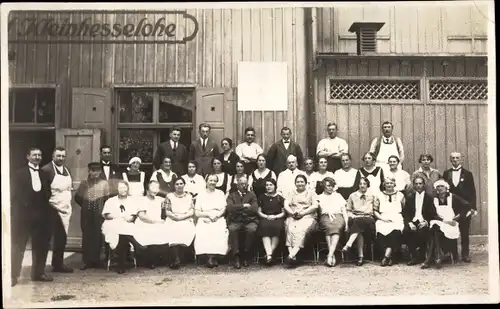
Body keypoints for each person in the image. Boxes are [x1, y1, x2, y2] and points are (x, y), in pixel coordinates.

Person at [11, 147, 53, 286]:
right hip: (23, 215)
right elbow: (14, 195)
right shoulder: (18, 174)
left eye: (39, 155)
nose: (37, 157)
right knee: (18, 245)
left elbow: (48, 193)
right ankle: (13, 275)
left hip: (41, 215)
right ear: (27, 157)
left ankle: (38, 273)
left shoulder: (44, 174)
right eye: (34, 155)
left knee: (41, 245)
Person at [422, 179, 471, 269]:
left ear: (446, 188)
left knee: (435, 231)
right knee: (435, 227)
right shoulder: (433, 198)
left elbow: (467, 205)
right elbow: (432, 214)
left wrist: (459, 216)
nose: (440, 188)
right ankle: (437, 257)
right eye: (438, 187)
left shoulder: (453, 197)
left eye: (442, 186)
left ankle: (431, 259)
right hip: (439, 221)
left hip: (451, 223)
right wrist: (443, 220)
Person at [41, 147, 74, 273]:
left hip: (65, 208)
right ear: (53, 156)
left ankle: (58, 264)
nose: (61, 158)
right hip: (51, 208)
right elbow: (43, 192)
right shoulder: (46, 170)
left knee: (62, 237)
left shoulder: (67, 170)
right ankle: (40, 267)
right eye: (58, 156)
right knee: (46, 238)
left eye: (63, 156)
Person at [101, 180, 144, 274]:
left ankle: (121, 264)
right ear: (117, 189)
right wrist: (117, 216)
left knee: (123, 232)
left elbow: (133, 216)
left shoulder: (132, 200)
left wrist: (130, 218)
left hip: (126, 223)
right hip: (112, 223)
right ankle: (135, 244)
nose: (123, 190)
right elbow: (106, 215)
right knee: (119, 230)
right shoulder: (111, 200)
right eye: (120, 188)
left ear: (128, 189)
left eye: (124, 187)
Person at [442, 152, 477, 263]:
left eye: (457, 158)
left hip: (465, 207)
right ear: (450, 160)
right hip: (451, 207)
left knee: (464, 230)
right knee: (451, 229)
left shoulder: (468, 174)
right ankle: (453, 254)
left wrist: (473, 208)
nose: (455, 160)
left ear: (461, 159)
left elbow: (472, 192)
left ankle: (465, 254)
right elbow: (444, 190)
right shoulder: (446, 173)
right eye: (453, 158)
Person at [74, 162, 110, 270]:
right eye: (93, 170)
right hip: (86, 213)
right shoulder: (84, 183)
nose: (95, 173)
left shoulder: (104, 183)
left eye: (98, 170)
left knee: (97, 236)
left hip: (98, 213)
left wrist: (99, 208)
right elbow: (78, 198)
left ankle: (97, 260)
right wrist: (86, 206)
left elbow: (106, 199)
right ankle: (86, 261)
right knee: (87, 235)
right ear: (89, 171)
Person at [283, 174, 319, 268]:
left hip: (307, 216)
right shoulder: (291, 192)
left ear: (306, 183)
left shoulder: (311, 192)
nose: (300, 183)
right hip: (294, 215)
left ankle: (291, 255)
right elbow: (286, 204)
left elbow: (315, 206)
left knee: (302, 229)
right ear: (295, 183)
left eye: (302, 181)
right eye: (298, 182)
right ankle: (292, 256)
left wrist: (303, 213)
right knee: (289, 226)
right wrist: (292, 213)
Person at [194, 174, 229, 268]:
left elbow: (224, 208)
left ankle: (213, 257)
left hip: (218, 217)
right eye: (210, 180)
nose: (212, 182)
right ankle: (210, 258)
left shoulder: (220, 193)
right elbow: (197, 212)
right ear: (206, 181)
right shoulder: (201, 194)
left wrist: (217, 216)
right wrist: (208, 215)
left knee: (219, 229)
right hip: (204, 217)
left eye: (214, 181)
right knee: (204, 229)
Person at [134, 181, 170, 269]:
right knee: (151, 231)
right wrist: (156, 221)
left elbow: (169, 206)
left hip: (157, 222)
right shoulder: (142, 200)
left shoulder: (160, 199)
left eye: (157, 188)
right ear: (147, 189)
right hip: (145, 222)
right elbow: (142, 216)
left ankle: (161, 259)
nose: (155, 190)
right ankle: (150, 260)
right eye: (152, 188)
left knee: (168, 229)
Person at [342, 177, 379, 266]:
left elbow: (375, 210)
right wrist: (352, 215)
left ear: (367, 185)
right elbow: (348, 210)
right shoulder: (352, 196)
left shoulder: (373, 196)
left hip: (368, 220)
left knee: (358, 223)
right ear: (358, 185)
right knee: (358, 227)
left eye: (364, 184)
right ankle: (360, 257)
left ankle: (349, 244)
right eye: (360, 184)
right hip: (356, 219)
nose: (362, 186)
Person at [226, 175, 259, 269]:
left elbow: (254, 209)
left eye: (245, 184)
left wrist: (238, 209)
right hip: (236, 220)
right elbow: (230, 208)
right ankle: (236, 256)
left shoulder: (252, 194)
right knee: (232, 229)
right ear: (237, 185)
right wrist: (244, 206)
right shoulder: (232, 195)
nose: (243, 186)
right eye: (241, 184)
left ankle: (246, 254)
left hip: (250, 220)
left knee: (251, 230)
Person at [163, 178, 196, 269]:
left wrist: (183, 217)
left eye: (181, 183)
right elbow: (167, 211)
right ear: (174, 186)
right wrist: (175, 217)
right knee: (173, 230)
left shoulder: (189, 196)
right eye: (177, 184)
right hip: (173, 218)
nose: (179, 186)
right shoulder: (169, 196)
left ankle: (180, 258)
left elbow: (192, 210)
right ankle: (176, 258)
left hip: (185, 218)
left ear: (184, 185)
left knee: (186, 229)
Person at [374, 177, 405, 267]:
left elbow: (403, 208)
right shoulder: (379, 195)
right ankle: (392, 256)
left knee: (396, 231)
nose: (389, 185)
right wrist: (382, 219)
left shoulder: (400, 195)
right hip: (383, 217)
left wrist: (397, 217)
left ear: (394, 184)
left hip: (397, 217)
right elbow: (375, 210)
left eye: (391, 183)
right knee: (380, 231)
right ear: (384, 185)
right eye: (387, 183)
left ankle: (386, 256)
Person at [402, 176, 434, 266]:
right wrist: (409, 223)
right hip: (413, 220)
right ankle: (414, 256)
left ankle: (422, 255)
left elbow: (432, 214)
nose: (418, 185)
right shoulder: (410, 197)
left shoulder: (429, 198)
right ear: (414, 186)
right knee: (406, 231)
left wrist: (426, 222)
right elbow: (406, 214)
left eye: (420, 183)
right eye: (416, 184)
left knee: (422, 232)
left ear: (424, 185)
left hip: (424, 221)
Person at [317, 177, 348, 267]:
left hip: (338, 216)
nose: (330, 188)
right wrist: (328, 211)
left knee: (336, 227)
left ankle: (330, 255)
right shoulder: (320, 197)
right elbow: (322, 209)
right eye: (328, 186)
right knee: (329, 227)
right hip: (325, 216)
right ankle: (332, 255)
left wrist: (346, 223)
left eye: (332, 186)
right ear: (324, 186)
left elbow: (344, 210)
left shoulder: (338, 196)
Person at [257, 179, 285, 265]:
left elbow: (283, 212)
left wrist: (275, 216)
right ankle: (269, 255)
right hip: (265, 218)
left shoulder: (280, 198)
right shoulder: (261, 197)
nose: (268, 187)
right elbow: (259, 211)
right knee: (264, 227)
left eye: (271, 185)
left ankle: (269, 254)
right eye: (267, 185)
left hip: (277, 218)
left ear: (275, 186)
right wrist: (266, 216)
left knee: (277, 227)